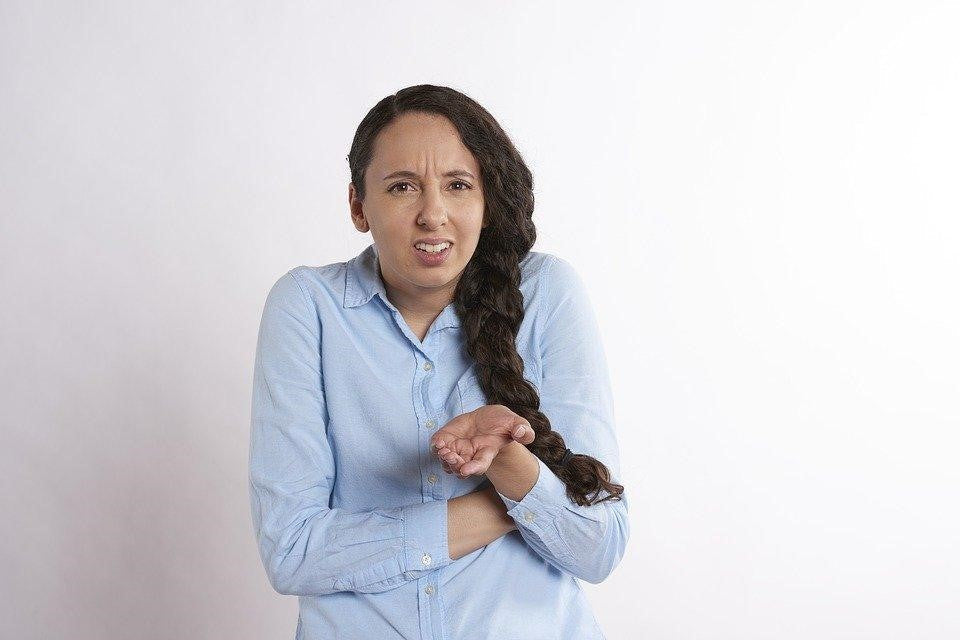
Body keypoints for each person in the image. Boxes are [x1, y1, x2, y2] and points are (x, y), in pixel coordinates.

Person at [248, 84, 629, 640]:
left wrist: (508, 463)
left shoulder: (548, 293)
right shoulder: (309, 307)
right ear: (358, 205)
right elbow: (293, 551)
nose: (434, 214)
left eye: (458, 185)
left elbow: (599, 546)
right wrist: (514, 505)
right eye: (402, 187)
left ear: (486, 199)